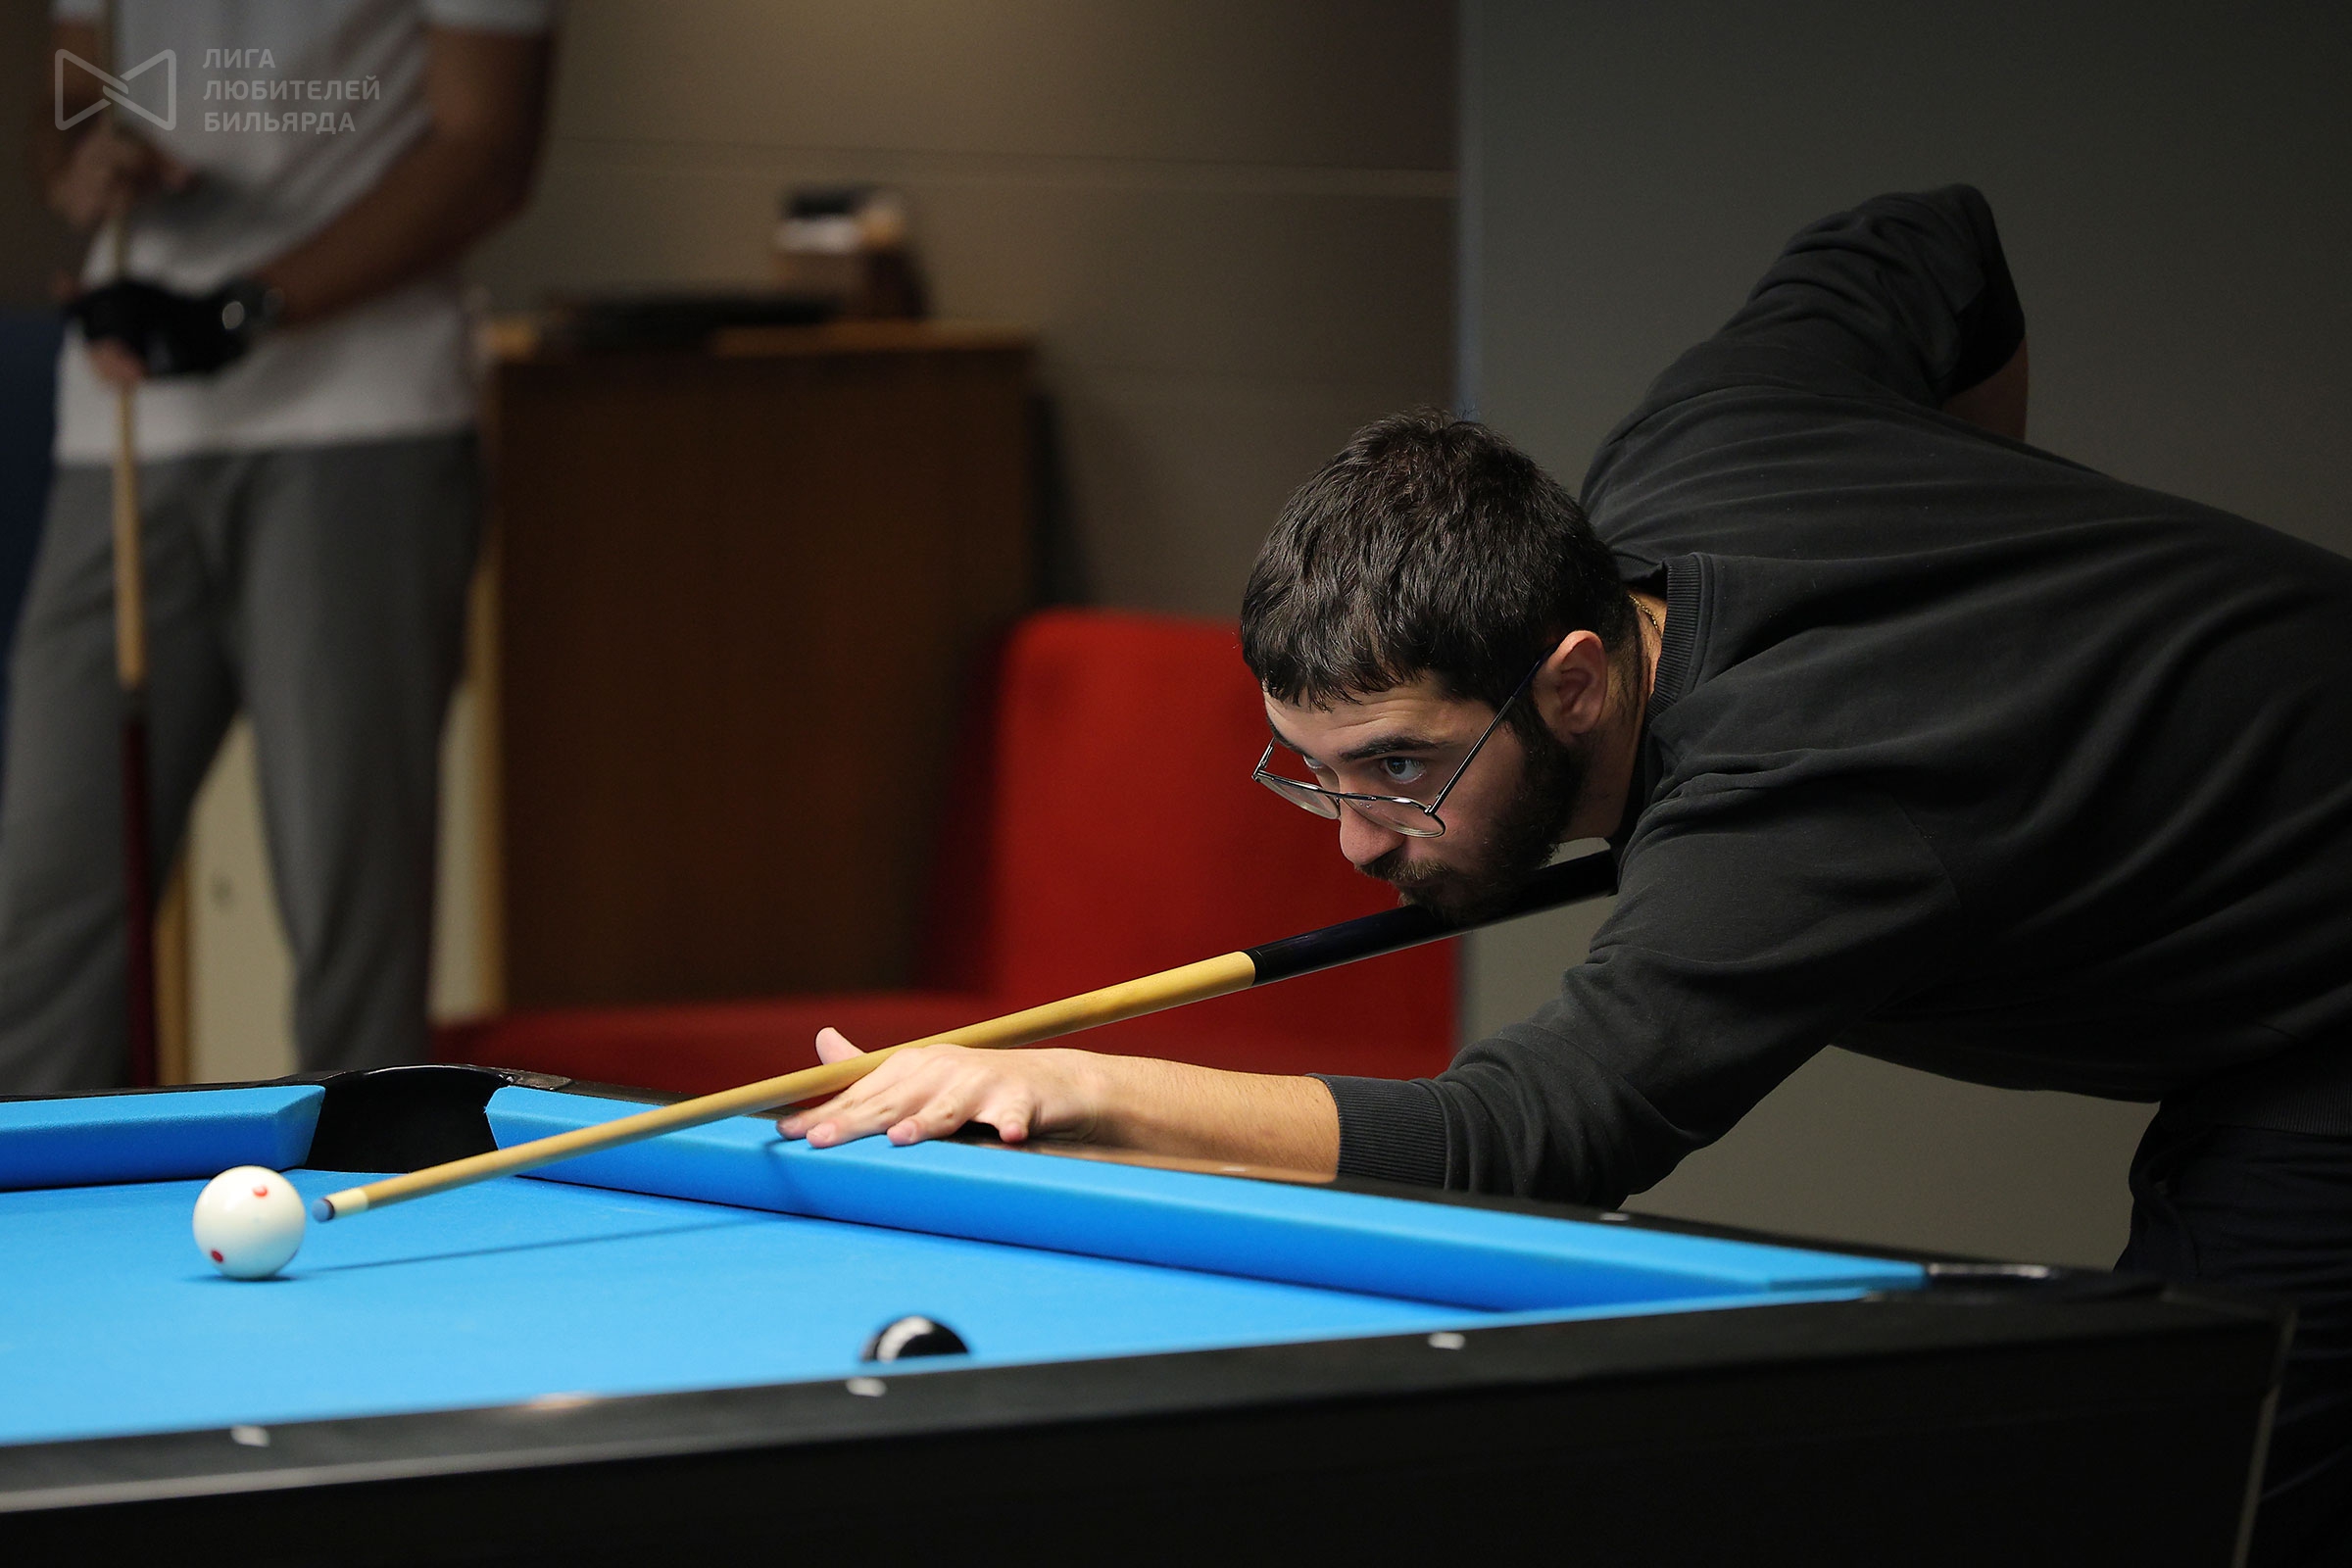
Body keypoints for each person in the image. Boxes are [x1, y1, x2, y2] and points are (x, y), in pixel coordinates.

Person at [778, 187, 2352, 1562]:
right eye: (1313, 772)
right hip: (2272, 969)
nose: (1357, 841)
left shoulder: (1796, 814)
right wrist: (1998, 576)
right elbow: (1928, 238)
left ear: (1576, 681)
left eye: (1402, 769)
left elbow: (1522, 1141)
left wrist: (1073, 1091)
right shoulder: (1703, 441)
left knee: (2192, 1490)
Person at [0, 2, 556, 1091]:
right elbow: (71, 98)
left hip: (362, 418)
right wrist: (85, 162)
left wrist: (240, 310)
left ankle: (366, 1194)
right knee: (44, 925)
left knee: (352, 919)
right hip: (127, 418)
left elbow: (487, 151)